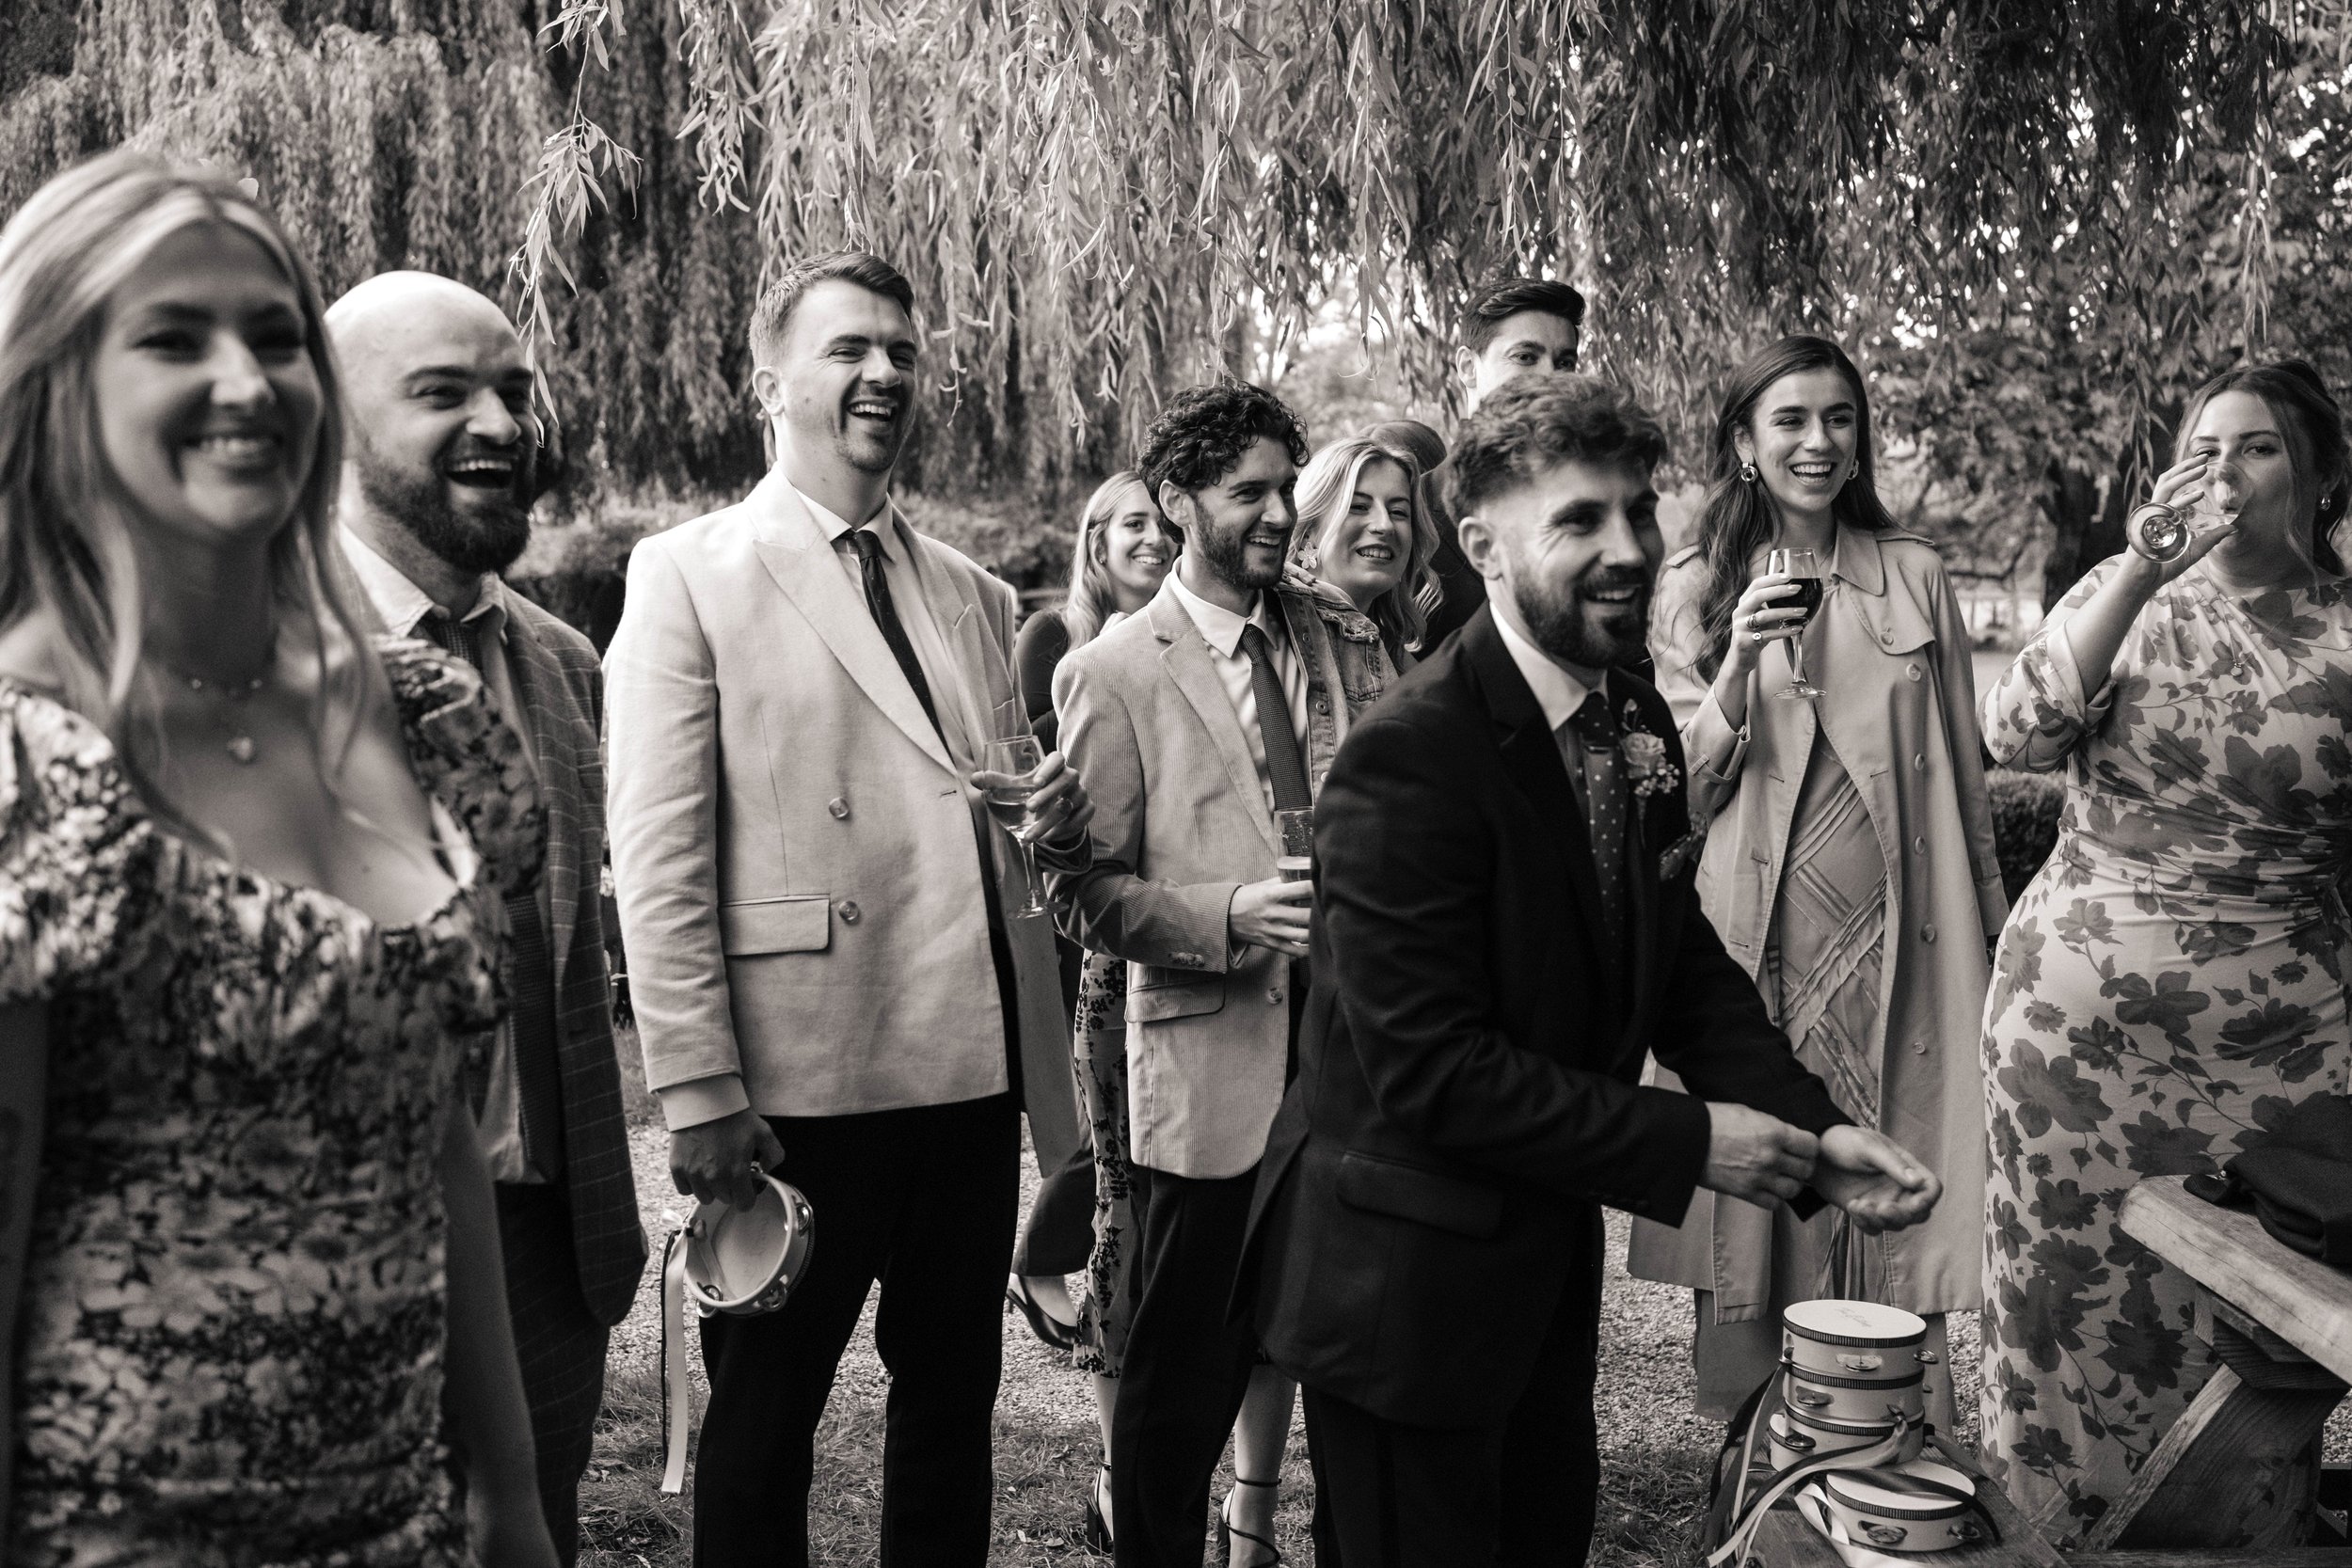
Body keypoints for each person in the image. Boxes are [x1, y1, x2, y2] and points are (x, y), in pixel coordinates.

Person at [1244, 373, 1944, 1568]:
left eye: (1638, 509)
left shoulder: (1630, 709)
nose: (1626, 548)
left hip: (1532, 1269)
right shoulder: (1406, 760)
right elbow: (1432, 1073)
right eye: (1577, 521)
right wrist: (1690, 1144)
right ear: (1479, 544)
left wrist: (1808, 1129)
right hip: (1402, 1293)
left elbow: (1675, 963)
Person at [0, 151, 555, 1568]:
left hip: (401, 1523)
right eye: (175, 338)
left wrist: (509, 1490)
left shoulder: (428, 726)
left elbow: (439, 1132)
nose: (246, 381)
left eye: (276, 334)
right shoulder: (27, 766)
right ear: (57, 386)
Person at [603, 249, 1094, 1568]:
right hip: (792, 1093)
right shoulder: (688, 572)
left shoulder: (979, 595)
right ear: (770, 382)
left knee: (952, 1417)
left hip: (966, 1083)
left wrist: (1047, 812)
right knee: (763, 1424)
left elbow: (1003, 839)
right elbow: (657, 856)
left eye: (900, 350)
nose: (883, 370)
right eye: (847, 348)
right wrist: (697, 1089)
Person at [1976, 359, 2352, 1547]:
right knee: (2057, 1303)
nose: (2224, 475)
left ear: (2322, 473)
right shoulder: (2122, 593)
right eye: (2205, 447)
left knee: (2259, 1324)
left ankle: (2231, 1528)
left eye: (2258, 448)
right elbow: (2016, 731)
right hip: (2069, 1044)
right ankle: (2045, 1533)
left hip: (2279, 1049)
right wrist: (2141, 565)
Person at [328, 271, 648, 1566]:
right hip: (343, 1253)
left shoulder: (564, 665)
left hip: (546, 1250)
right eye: (443, 391)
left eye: (517, 390)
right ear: (332, 425)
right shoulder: (253, 645)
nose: (505, 423)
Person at [1627, 335, 2004, 1431]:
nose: (1818, 441)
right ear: (1744, 443)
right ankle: (1752, 1469)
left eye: (1839, 418)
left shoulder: (1914, 571)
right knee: (1761, 1177)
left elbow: (1967, 784)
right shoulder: (1692, 586)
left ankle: (1892, 1452)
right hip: (1755, 949)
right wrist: (1736, 662)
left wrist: (1989, 940)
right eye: (1790, 420)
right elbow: (1668, 795)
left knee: (1896, 1176)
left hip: (1900, 945)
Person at [1054, 381, 1393, 1568]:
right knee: (1176, 1386)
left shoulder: (1347, 636)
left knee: (1357, 1367)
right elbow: (1084, 891)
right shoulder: (1111, 671)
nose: (1274, 512)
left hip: (1357, 1066)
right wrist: (1229, 912)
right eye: (1244, 490)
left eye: (1281, 488)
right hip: (1208, 1072)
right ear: (1174, 501)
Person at [1009, 470, 1180, 1544]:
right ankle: (1039, 1253)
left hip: (1163, 901)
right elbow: (1051, 773)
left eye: (1163, 527)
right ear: (1093, 541)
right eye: (1132, 527)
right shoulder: (1056, 639)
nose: (1153, 542)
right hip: (1073, 888)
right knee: (1100, 1112)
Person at [1290, 430, 1445, 672]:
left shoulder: (1398, 660)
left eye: (1398, 512)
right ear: (1309, 529)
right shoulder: (1278, 640)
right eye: (1359, 506)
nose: (1385, 525)